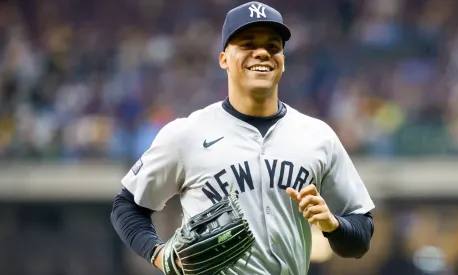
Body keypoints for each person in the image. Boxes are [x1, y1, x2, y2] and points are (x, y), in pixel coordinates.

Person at [110, 2, 375, 275]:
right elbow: (126, 206)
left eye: (273, 47)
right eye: (248, 44)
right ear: (224, 58)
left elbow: (361, 236)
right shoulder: (186, 134)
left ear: (283, 61)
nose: (262, 53)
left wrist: (333, 225)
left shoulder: (318, 136)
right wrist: (160, 254)